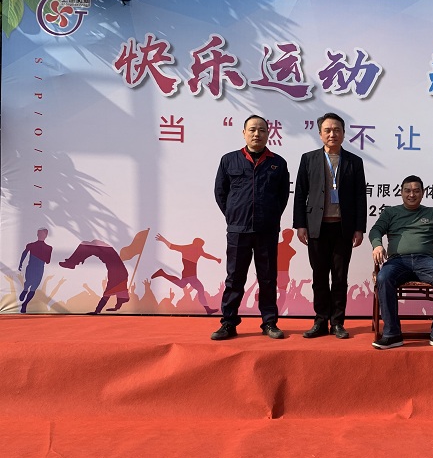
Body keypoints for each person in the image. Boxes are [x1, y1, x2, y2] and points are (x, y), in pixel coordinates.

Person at [212, 114, 290, 340]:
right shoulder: (229, 160)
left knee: (268, 278)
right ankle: (228, 323)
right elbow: (221, 193)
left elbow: (282, 196)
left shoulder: (278, 163)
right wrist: (233, 215)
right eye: (252, 130)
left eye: (262, 130)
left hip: (267, 230)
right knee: (234, 278)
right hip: (238, 230)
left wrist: (270, 217)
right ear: (244, 133)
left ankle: (269, 322)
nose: (257, 134)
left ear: (268, 134)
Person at [293, 112, 367, 339]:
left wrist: (359, 228)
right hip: (317, 228)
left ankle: (337, 322)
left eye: (337, 130)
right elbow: (300, 194)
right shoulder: (308, 159)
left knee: (340, 277)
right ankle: (320, 320)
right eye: (327, 130)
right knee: (319, 276)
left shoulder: (354, 161)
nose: (332, 134)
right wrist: (300, 224)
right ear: (320, 134)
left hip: (343, 228)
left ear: (343, 133)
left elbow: (360, 197)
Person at [369, 175, 433, 350]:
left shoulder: (431, 213)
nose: (412, 194)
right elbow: (375, 230)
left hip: (425, 261)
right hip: (397, 262)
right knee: (383, 278)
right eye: (408, 191)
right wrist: (377, 245)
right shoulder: (390, 212)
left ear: (423, 193)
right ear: (401, 192)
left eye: (416, 191)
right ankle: (392, 334)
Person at [152, 233, 221, 315]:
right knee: (200, 289)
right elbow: (172, 246)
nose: (202, 248)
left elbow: (171, 246)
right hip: (191, 275)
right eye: (201, 246)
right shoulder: (195, 249)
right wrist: (163, 239)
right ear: (196, 244)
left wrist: (216, 259)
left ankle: (162, 273)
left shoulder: (191, 248)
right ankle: (207, 309)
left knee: (182, 284)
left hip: (187, 273)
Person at [18, 227, 53, 313]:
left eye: (42, 234)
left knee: (33, 288)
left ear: (46, 235)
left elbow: (48, 261)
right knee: (28, 283)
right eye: (39, 233)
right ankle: (25, 290)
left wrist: (40, 255)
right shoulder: (31, 245)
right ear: (37, 234)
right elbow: (24, 253)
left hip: (39, 270)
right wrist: (20, 263)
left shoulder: (48, 248)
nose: (40, 235)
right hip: (31, 268)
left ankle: (25, 304)